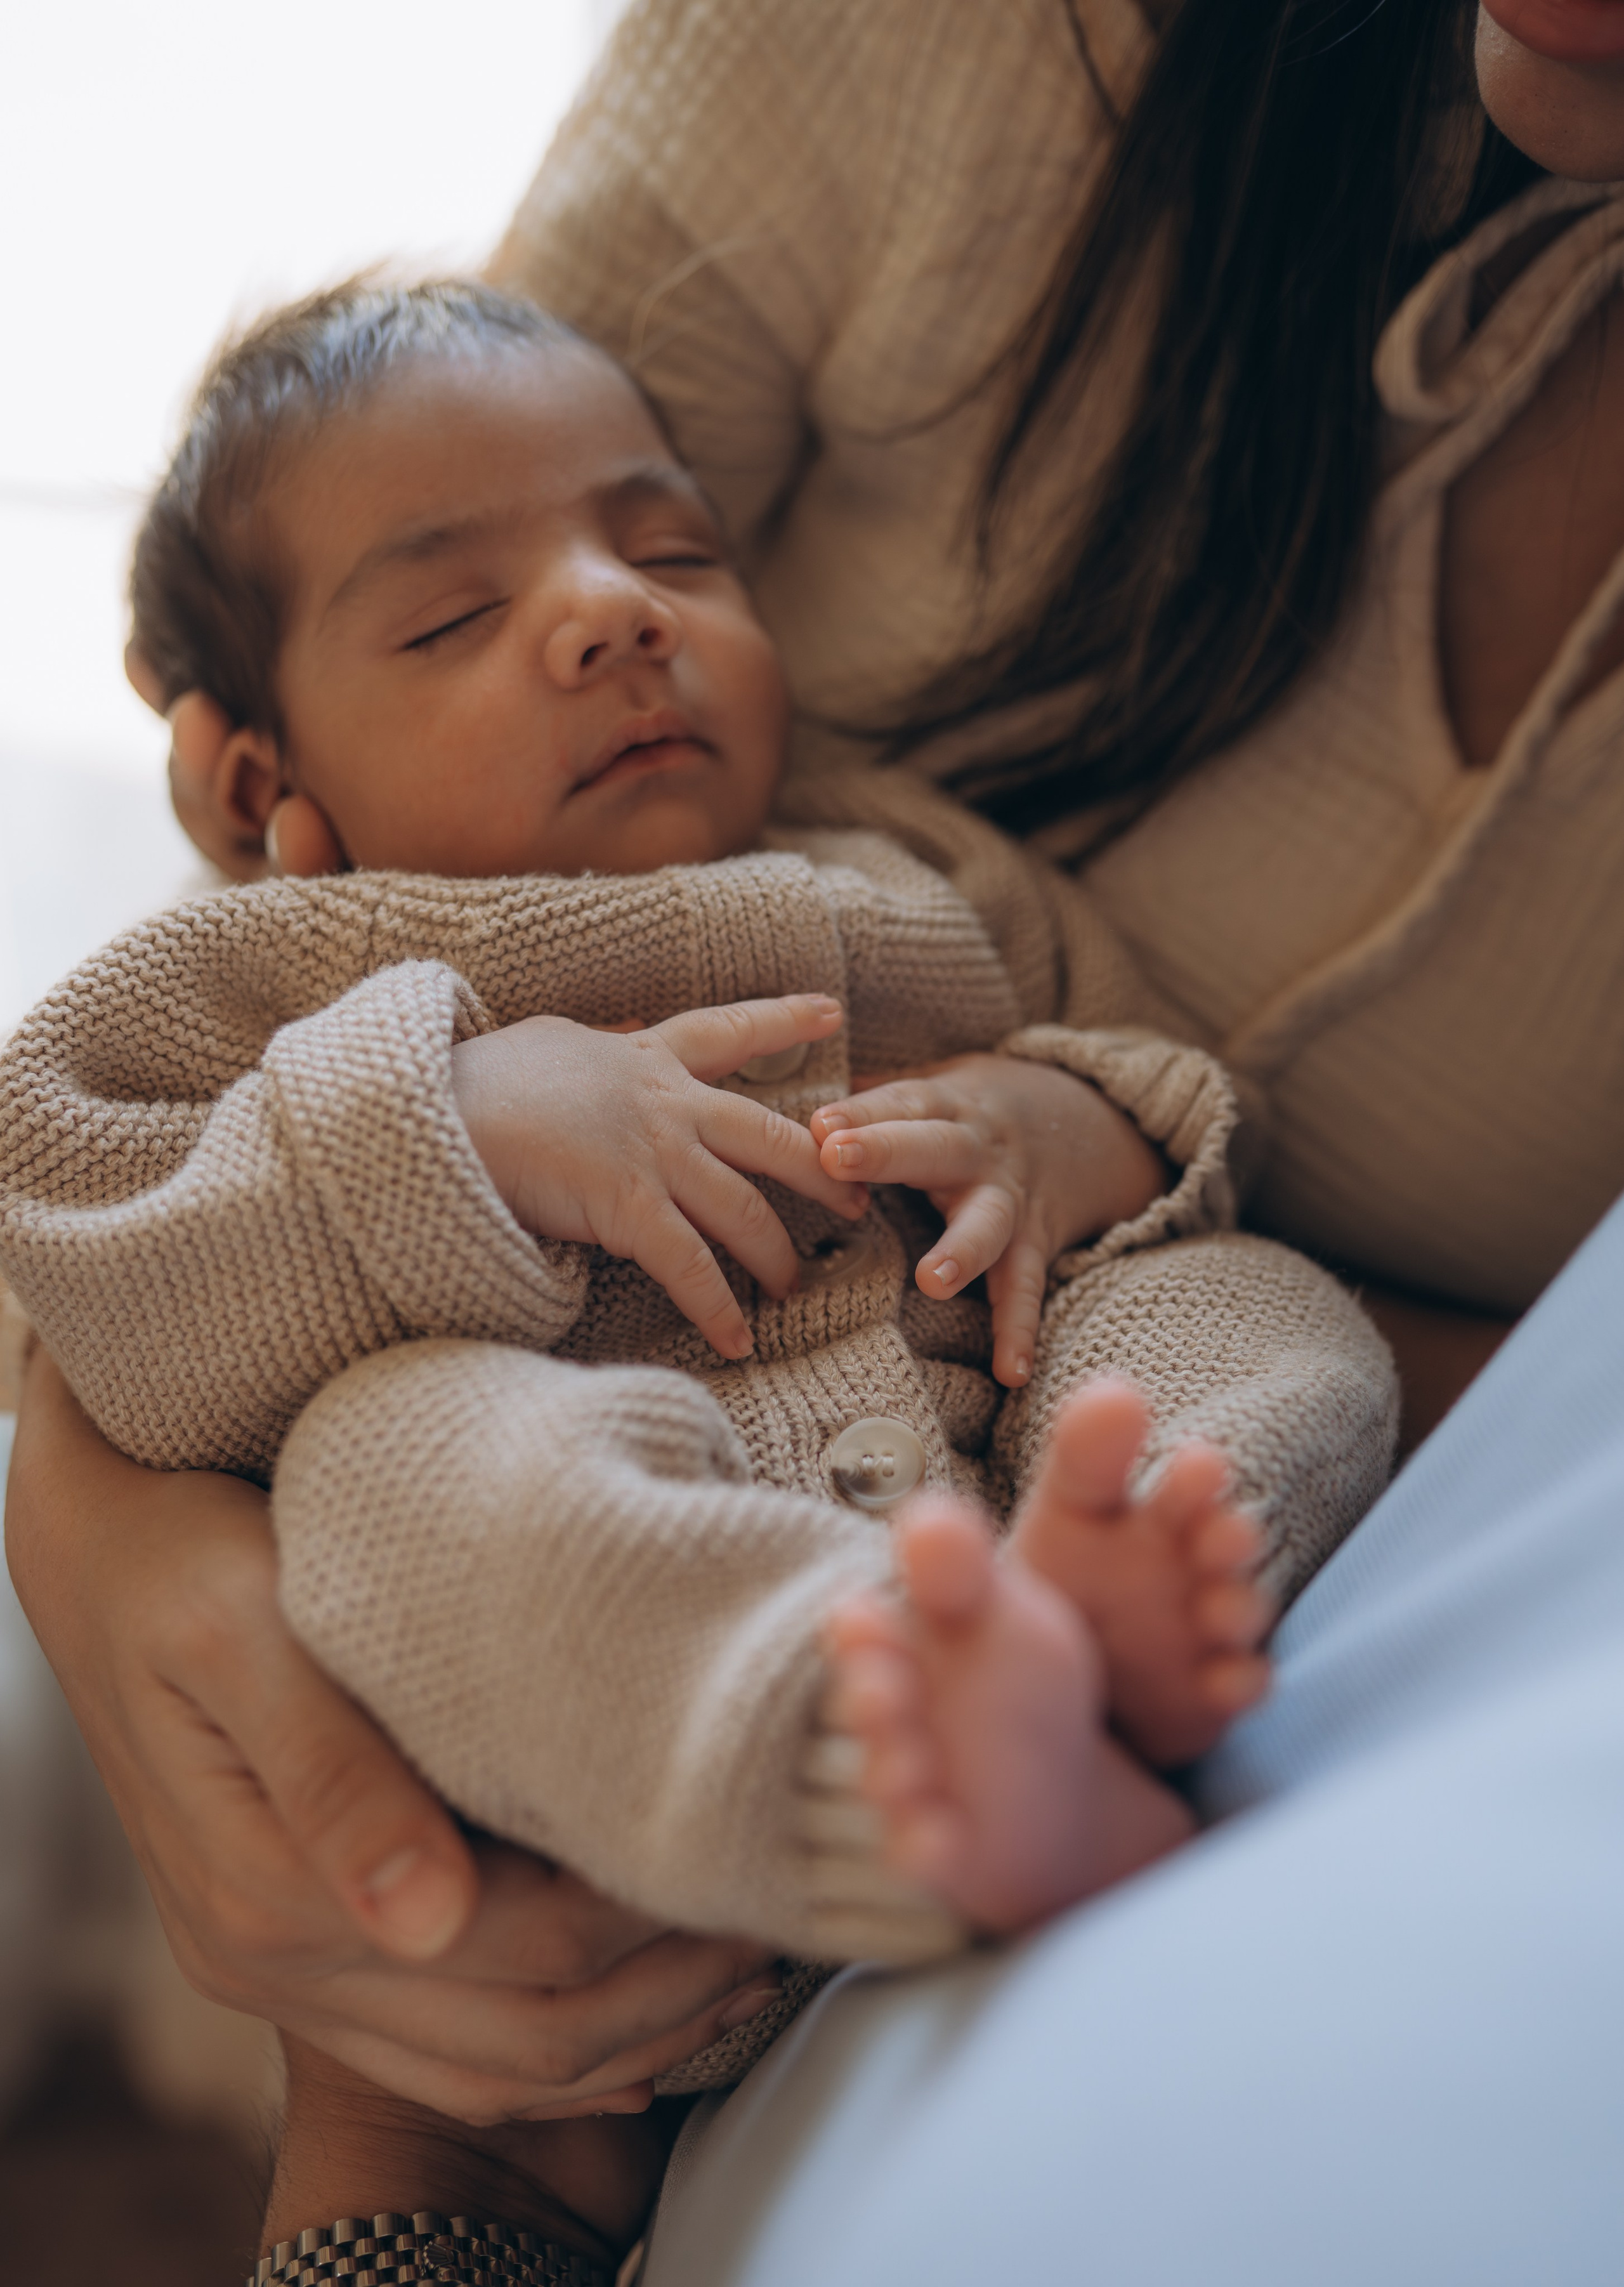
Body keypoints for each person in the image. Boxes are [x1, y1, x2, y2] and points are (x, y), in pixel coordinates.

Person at [9, 0, 1624, 2267]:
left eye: (675, 557)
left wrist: (1064, 1129)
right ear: (261, 786)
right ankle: (868, 1755)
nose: (608, 615)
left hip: (979, 1479)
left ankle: (1121, 1617)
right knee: (393, 1473)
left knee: (1256, 1314)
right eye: (458, 615)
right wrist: (450, 1115)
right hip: (581, 1670)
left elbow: (1149, 1078)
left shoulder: (899, 878)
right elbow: (84, 1221)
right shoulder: (273, 967)